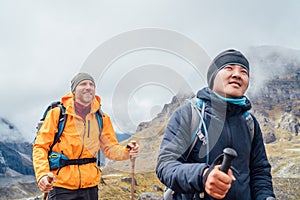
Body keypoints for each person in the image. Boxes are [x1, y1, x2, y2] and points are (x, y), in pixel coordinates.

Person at [156, 49, 275, 199]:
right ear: (213, 77)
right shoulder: (189, 114)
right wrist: (203, 175)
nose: (237, 74)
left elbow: (260, 172)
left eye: (244, 72)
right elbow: (166, 165)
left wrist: (266, 197)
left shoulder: (250, 123)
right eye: (229, 68)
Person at [33, 72, 139, 199]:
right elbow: (40, 147)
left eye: (91, 85)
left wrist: (127, 151)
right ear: (73, 91)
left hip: (90, 187)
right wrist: (43, 174)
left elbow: (110, 149)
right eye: (83, 84)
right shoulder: (57, 114)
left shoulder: (102, 118)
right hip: (61, 186)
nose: (88, 87)